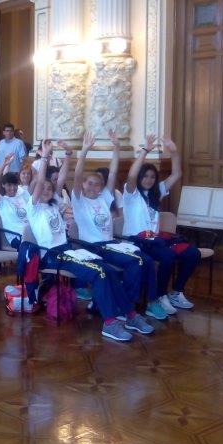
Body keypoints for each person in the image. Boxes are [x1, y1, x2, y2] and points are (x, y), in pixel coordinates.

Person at [27, 140, 135, 342]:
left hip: (67, 250)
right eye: (43, 189)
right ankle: (110, 323)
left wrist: (68, 155)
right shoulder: (33, 207)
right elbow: (40, 182)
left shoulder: (54, 203)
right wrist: (45, 158)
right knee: (99, 273)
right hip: (52, 255)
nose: (47, 190)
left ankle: (130, 314)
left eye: (50, 188)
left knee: (108, 270)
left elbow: (61, 179)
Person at [72, 130, 160, 327]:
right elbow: (77, 175)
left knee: (144, 260)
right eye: (89, 183)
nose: (93, 187)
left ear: (102, 188)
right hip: (93, 246)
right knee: (137, 261)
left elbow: (112, 173)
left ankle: (124, 305)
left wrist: (117, 147)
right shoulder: (79, 201)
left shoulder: (104, 198)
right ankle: (125, 309)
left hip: (111, 244)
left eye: (97, 184)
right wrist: (84, 150)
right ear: (83, 185)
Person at [123, 134, 200, 313]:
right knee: (167, 256)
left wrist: (173, 152)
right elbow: (131, 175)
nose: (148, 180)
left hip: (155, 241)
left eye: (152, 177)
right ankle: (159, 295)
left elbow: (177, 174)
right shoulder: (131, 194)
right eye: (145, 176)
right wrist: (145, 151)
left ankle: (177, 292)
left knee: (192, 253)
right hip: (136, 242)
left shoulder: (156, 192)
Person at [0, 153, 31, 246]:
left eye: (15, 185)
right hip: (16, 237)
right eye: (9, 185)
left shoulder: (22, 196)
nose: (13, 188)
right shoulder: (1, 201)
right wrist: (4, 164)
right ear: (3, 185)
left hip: (30, 234)